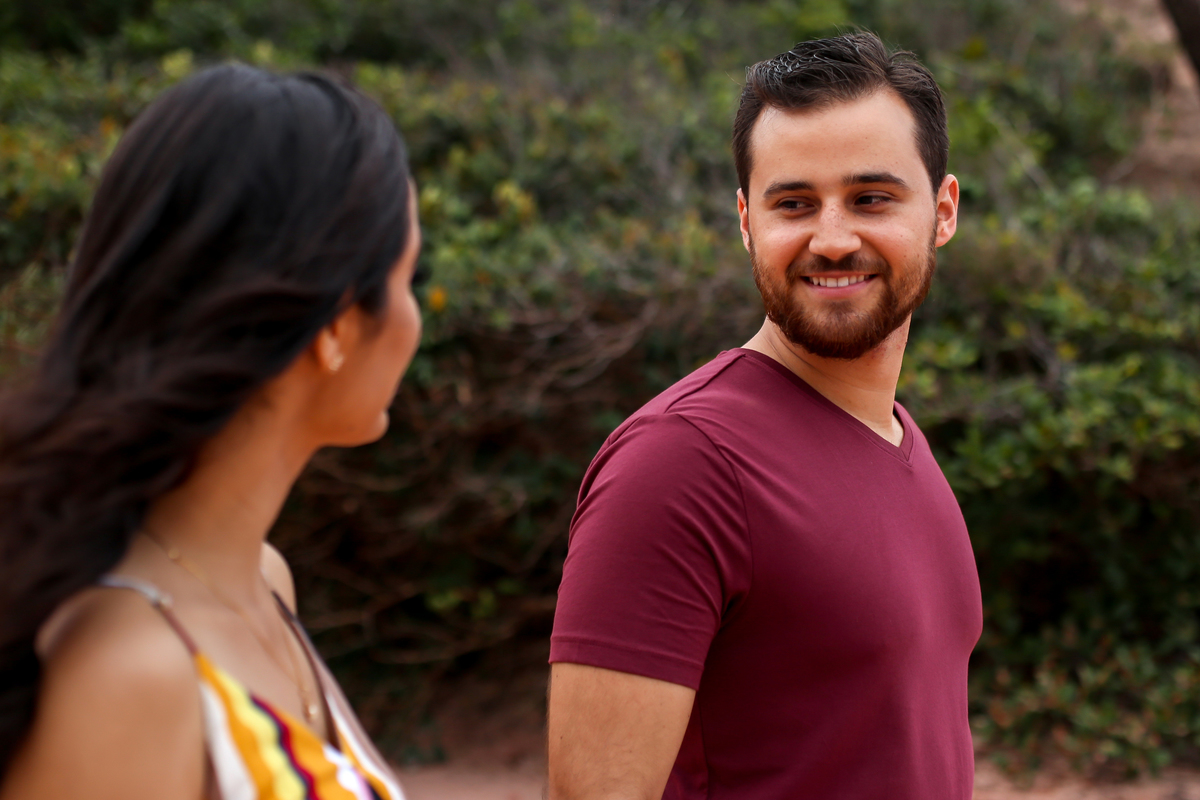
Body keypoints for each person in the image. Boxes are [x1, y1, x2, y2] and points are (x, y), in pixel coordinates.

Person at [548, 31, 980, 800]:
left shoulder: (900, 439)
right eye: (794, 204)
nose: (833, 239)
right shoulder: (681, 464)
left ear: (942, 211)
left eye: (871, 198)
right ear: (747, 221)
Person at [0, 63, 422, 800]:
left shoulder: (263, 581)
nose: (417, 317)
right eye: (409, 278)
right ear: (335, 326)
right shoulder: (129, 673)